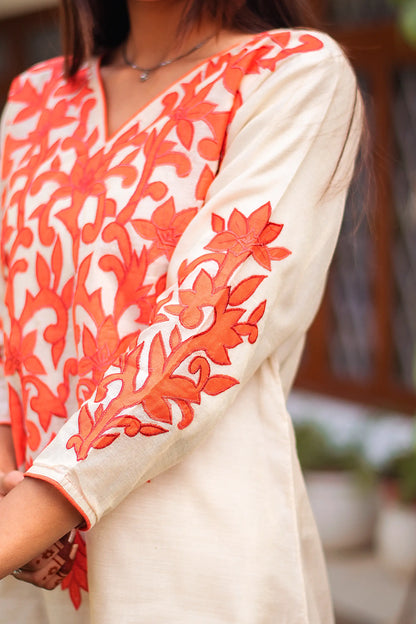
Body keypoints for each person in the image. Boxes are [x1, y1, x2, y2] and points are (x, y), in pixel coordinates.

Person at [0, 0, 363, 622]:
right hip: (38, 563)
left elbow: (210, 323)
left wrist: (21, 519)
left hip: (195, 553)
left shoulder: (293, 73)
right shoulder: (36, 96)